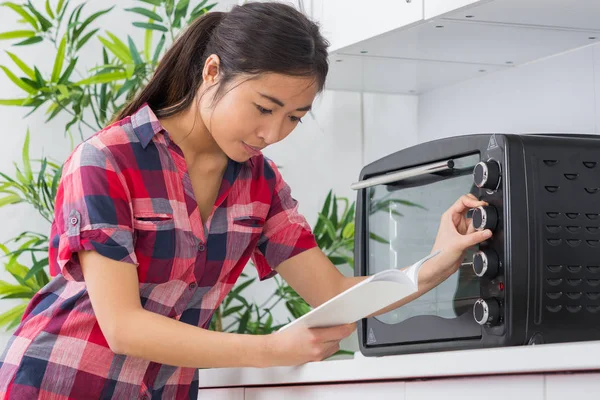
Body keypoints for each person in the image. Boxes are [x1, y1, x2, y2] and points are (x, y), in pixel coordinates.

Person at [0, 2, 492, 399]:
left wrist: (437, 263)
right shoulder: (106, 160)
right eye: (263, 108)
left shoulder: (260, 184)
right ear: (212, 72)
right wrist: (271, 348)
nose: (273, 133)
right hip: (59, 381)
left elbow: (333, 292)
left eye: (294, 118)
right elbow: (123, 326)